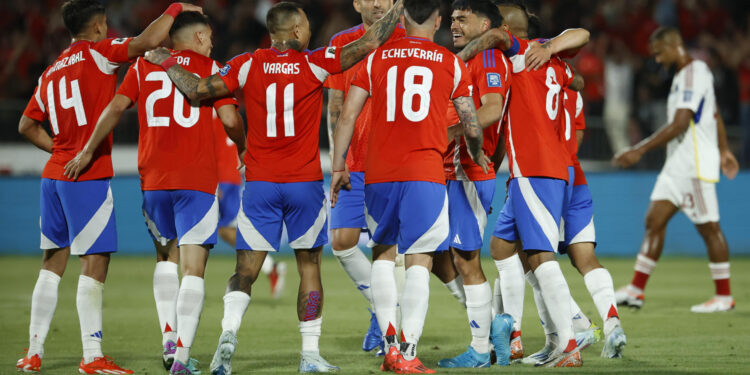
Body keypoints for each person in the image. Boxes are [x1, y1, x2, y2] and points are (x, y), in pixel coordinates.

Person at [144, 1, 405, 372]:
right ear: (297, 32)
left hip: (261, 184)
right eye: (307, 28)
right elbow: (369, 43)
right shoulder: (315, 62)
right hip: (304, 185)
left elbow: (199, 89)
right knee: (309, 268)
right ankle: (310, 354)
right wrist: (399, 8)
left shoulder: (246, 64)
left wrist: (168, 62)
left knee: (245, 270)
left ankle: (227, 337)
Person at [16, 1, 200, 373]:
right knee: (95, 263)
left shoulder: (50, 72)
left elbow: (26, 125)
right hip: (86, 175)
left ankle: (33, 353)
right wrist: (176, 6)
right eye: (106, 24)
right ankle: (92, 356)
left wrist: (61, 149)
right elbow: (150, 40)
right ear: (99, 26)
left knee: (52, 265)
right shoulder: (101, 54)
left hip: (53, 175)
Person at [65, 11, 244, 374]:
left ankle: (167, 336)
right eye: (208, 36)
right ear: (196, 38)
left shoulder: (143, 67)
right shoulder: (213, 67)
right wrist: (244, 149)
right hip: (196, 180)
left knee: (166, 258)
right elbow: (228, 119)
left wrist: (87, 150)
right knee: (194, 269)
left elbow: (116, 107)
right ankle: (180, 359)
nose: (211, 43)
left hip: (154, 180)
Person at [331, 0, 487, 372]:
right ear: (437, 20)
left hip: (379, 173)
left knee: (383, 254)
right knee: (420, 258)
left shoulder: (375, 59)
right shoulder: (450, 62)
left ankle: (389, 348)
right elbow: (471, 123)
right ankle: (409, 350)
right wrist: (477, 152)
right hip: (425, 173)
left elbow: (347, 114)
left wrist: (338, 164)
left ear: (401, 18)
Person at [455, 8, 591, 367]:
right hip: (529, 170)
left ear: (508, 28)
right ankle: (540, 339)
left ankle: (571, 342)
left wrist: (459, 58)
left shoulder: (518, 51)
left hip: (536, 168)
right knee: (502, 247)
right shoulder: (554, 62)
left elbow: (499, 38)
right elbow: (581, 35)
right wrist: (553, 48)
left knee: (541, 257)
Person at [613, 27, 739, 313]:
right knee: (653, 221)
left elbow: (682, 123)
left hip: (693, 165)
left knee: (709, 228)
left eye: (658, 53)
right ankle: (635, 289)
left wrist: (639, 149)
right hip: (676, 165)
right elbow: (715, 113)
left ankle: (724, 296)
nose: (657, 60)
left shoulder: (694, 73)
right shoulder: (686, 76)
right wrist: (725, 149)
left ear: (674, 45)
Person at [324, 0, 406, 354]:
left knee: (390, 249)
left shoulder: (408, 38)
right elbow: (336, 106)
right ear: (356, 2)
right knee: (341, 240)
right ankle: (382, 307)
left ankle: (387, 324)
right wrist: (336, 161)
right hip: (355, 162)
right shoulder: (344, 43)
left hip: (396, 161)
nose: (377, 3)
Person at [435, 0, 511, 369]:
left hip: (467, 170)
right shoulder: (468, 58)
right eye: (452, 19)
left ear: (485, 24)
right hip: (453, 171)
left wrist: (442, 134)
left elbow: (492, 108)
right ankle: (495, 327)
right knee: (443, 257)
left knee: (467, 261)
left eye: (463, 19)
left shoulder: (490, 59)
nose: (454, 24)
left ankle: (482, 349)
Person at [213, 117, 287, 300]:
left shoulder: (207, 111)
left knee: (222, 229)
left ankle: (267, 267)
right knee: (224, 229)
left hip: (221, 177)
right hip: (231, 175)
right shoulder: (229, 110)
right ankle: (269, 266)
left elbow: (205, 147)